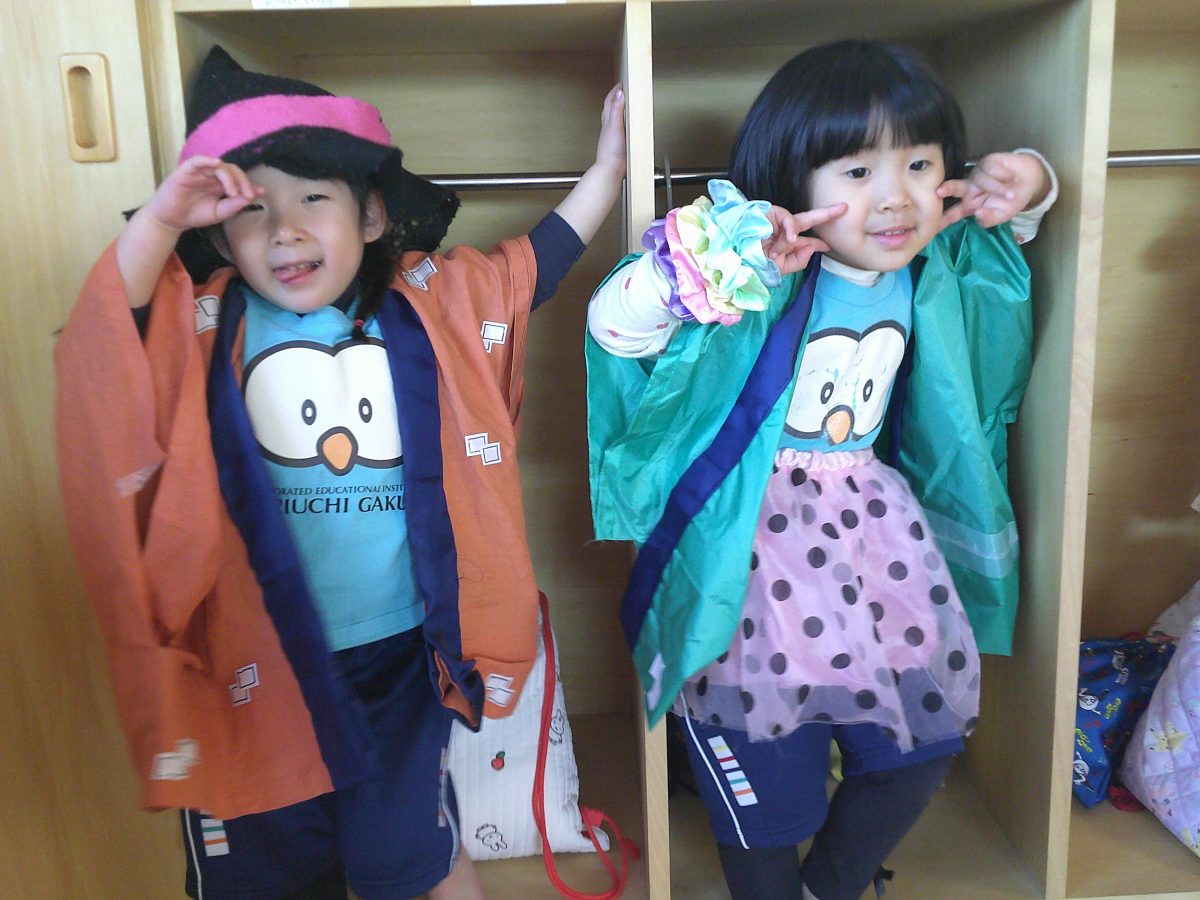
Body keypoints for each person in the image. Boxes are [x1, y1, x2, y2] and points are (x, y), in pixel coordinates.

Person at [55, 45, 625, 900]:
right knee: (268, 862)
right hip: (252, 659)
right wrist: (163, 220)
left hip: (398, 655)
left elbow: (532, 266)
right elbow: (115, 321)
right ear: (220, 233)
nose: (283, 229)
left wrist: (609, 170)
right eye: (252, 208)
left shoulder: (429, 304)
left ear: (370, 216)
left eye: (312, 199)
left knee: (414, 849)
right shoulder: (203, 319)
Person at [585, 40, 1057, 900]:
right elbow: (615, 328)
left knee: (919, 749)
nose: (895, 196)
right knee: (768, 798)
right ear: (792, 181)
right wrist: (695, 267)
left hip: (872, 541)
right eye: (858, 171)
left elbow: (1007, 233)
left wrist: (1030, 180)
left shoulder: (933, 266)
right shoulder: (750, 278)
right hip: (749, 552)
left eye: (920, 165)